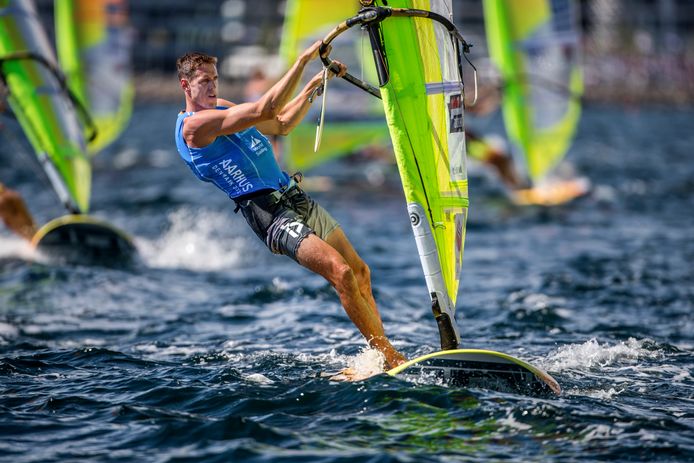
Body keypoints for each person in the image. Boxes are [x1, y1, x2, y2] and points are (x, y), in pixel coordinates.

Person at [174, 41, 406, 370]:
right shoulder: (194, 128)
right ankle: (390, 358)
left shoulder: (220, 107)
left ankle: (382, 353)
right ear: (186, 85)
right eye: (204, 81)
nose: (213, 87)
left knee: (360, 271)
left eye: (215, 79)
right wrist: (302, 62)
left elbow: (280, 123)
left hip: (292, 195)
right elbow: (264, 110)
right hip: (270, 214)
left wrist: (315, 84)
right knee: (340, 274)